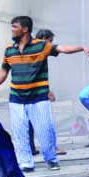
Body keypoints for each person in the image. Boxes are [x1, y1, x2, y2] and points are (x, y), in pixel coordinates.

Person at [0, 16, 89, 172]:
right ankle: (26, 163)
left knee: (45, 130)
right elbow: (3, 71)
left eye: (15, 27)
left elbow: (62, 48)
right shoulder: (10, 50)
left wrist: (81, 48)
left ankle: (51, 159)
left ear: (25, 29)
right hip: (16, 98)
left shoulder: (42, 46)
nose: (12, 30)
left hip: (38, 98)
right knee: (20, 132)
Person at [27, 29, 66, 158]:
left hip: (27, 93)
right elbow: (34, 75)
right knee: (46, 122)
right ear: (44, 38)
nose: (51, 44)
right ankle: (52, 148)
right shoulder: (39, 50)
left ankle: (31, 149)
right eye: (50, 41)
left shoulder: (28, 49)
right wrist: (47, 91)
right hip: (37, 94)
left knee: (30, 123)